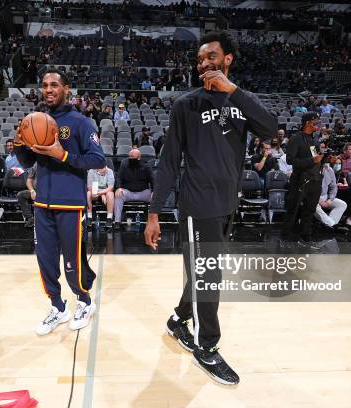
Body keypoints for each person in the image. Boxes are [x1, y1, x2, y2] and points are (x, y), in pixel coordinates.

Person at [144, 31, 276, 385]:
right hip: (197, 204)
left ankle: (178, 320)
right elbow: (170, 161)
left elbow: (271, 128)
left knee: (204, 272)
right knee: (208, 276)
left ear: (228, 59)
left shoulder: (240, 101)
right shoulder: (186, 104)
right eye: (200, 59)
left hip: (227, 203)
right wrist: (154, 212)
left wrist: (233, 92)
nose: (204, 64)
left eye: (211, 57)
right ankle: (207, 348)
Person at [13, 68, 105, 336]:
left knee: (73, 261)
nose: (49, 90)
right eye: (44, 85)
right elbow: (28, 162)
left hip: (71, 205)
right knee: (46, 260)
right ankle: (57, 306)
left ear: (67, 89)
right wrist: (20, 145)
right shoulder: (37, 121)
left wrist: (63, 155)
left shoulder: (81, 122)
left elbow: (98, 160)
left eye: (54, 85)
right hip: (42, 204)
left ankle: (85, 302)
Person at [281, 112, 324, 250]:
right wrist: (311, 160)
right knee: (292, 209)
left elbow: (316, 159)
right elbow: (290, 160)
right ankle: (285, 238)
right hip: (300, 179)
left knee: (310, 210)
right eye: (315, 121)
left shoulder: (313, 139)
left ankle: (306, 237)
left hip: (315, 179)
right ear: (307, 123)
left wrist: (327, 160)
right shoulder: (296, 138)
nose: (318, 124)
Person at [113, 149, 154, 230]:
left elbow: (152, 179)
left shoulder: (146, 166)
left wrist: (154, 191)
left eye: (132, 157)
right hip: (128, 192)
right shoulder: (124, 164)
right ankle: (117, 222)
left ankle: (153, 222)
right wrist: (118, 188)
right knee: (118, 195)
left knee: (155, 196)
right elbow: (119, 177)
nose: (130, 158)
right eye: (129, 156)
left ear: (139, 158)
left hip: (143, 192)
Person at [315, 156, 348, 232]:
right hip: (312, 198)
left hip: (325, 197)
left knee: (342, 204)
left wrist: (330, 199)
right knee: (314, 206)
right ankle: (333, 225)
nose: (326, 165)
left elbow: (333, 187)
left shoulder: (329, 170)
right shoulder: (311, 170)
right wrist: (319, 200)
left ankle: (328, 225)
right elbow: (308, 189)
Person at [17, 163, 37, 228]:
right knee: (21, 195)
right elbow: (28, 180)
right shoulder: (35, 165)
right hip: (36, 191)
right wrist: (32, 191)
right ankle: (30, 218)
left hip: (48, 192)